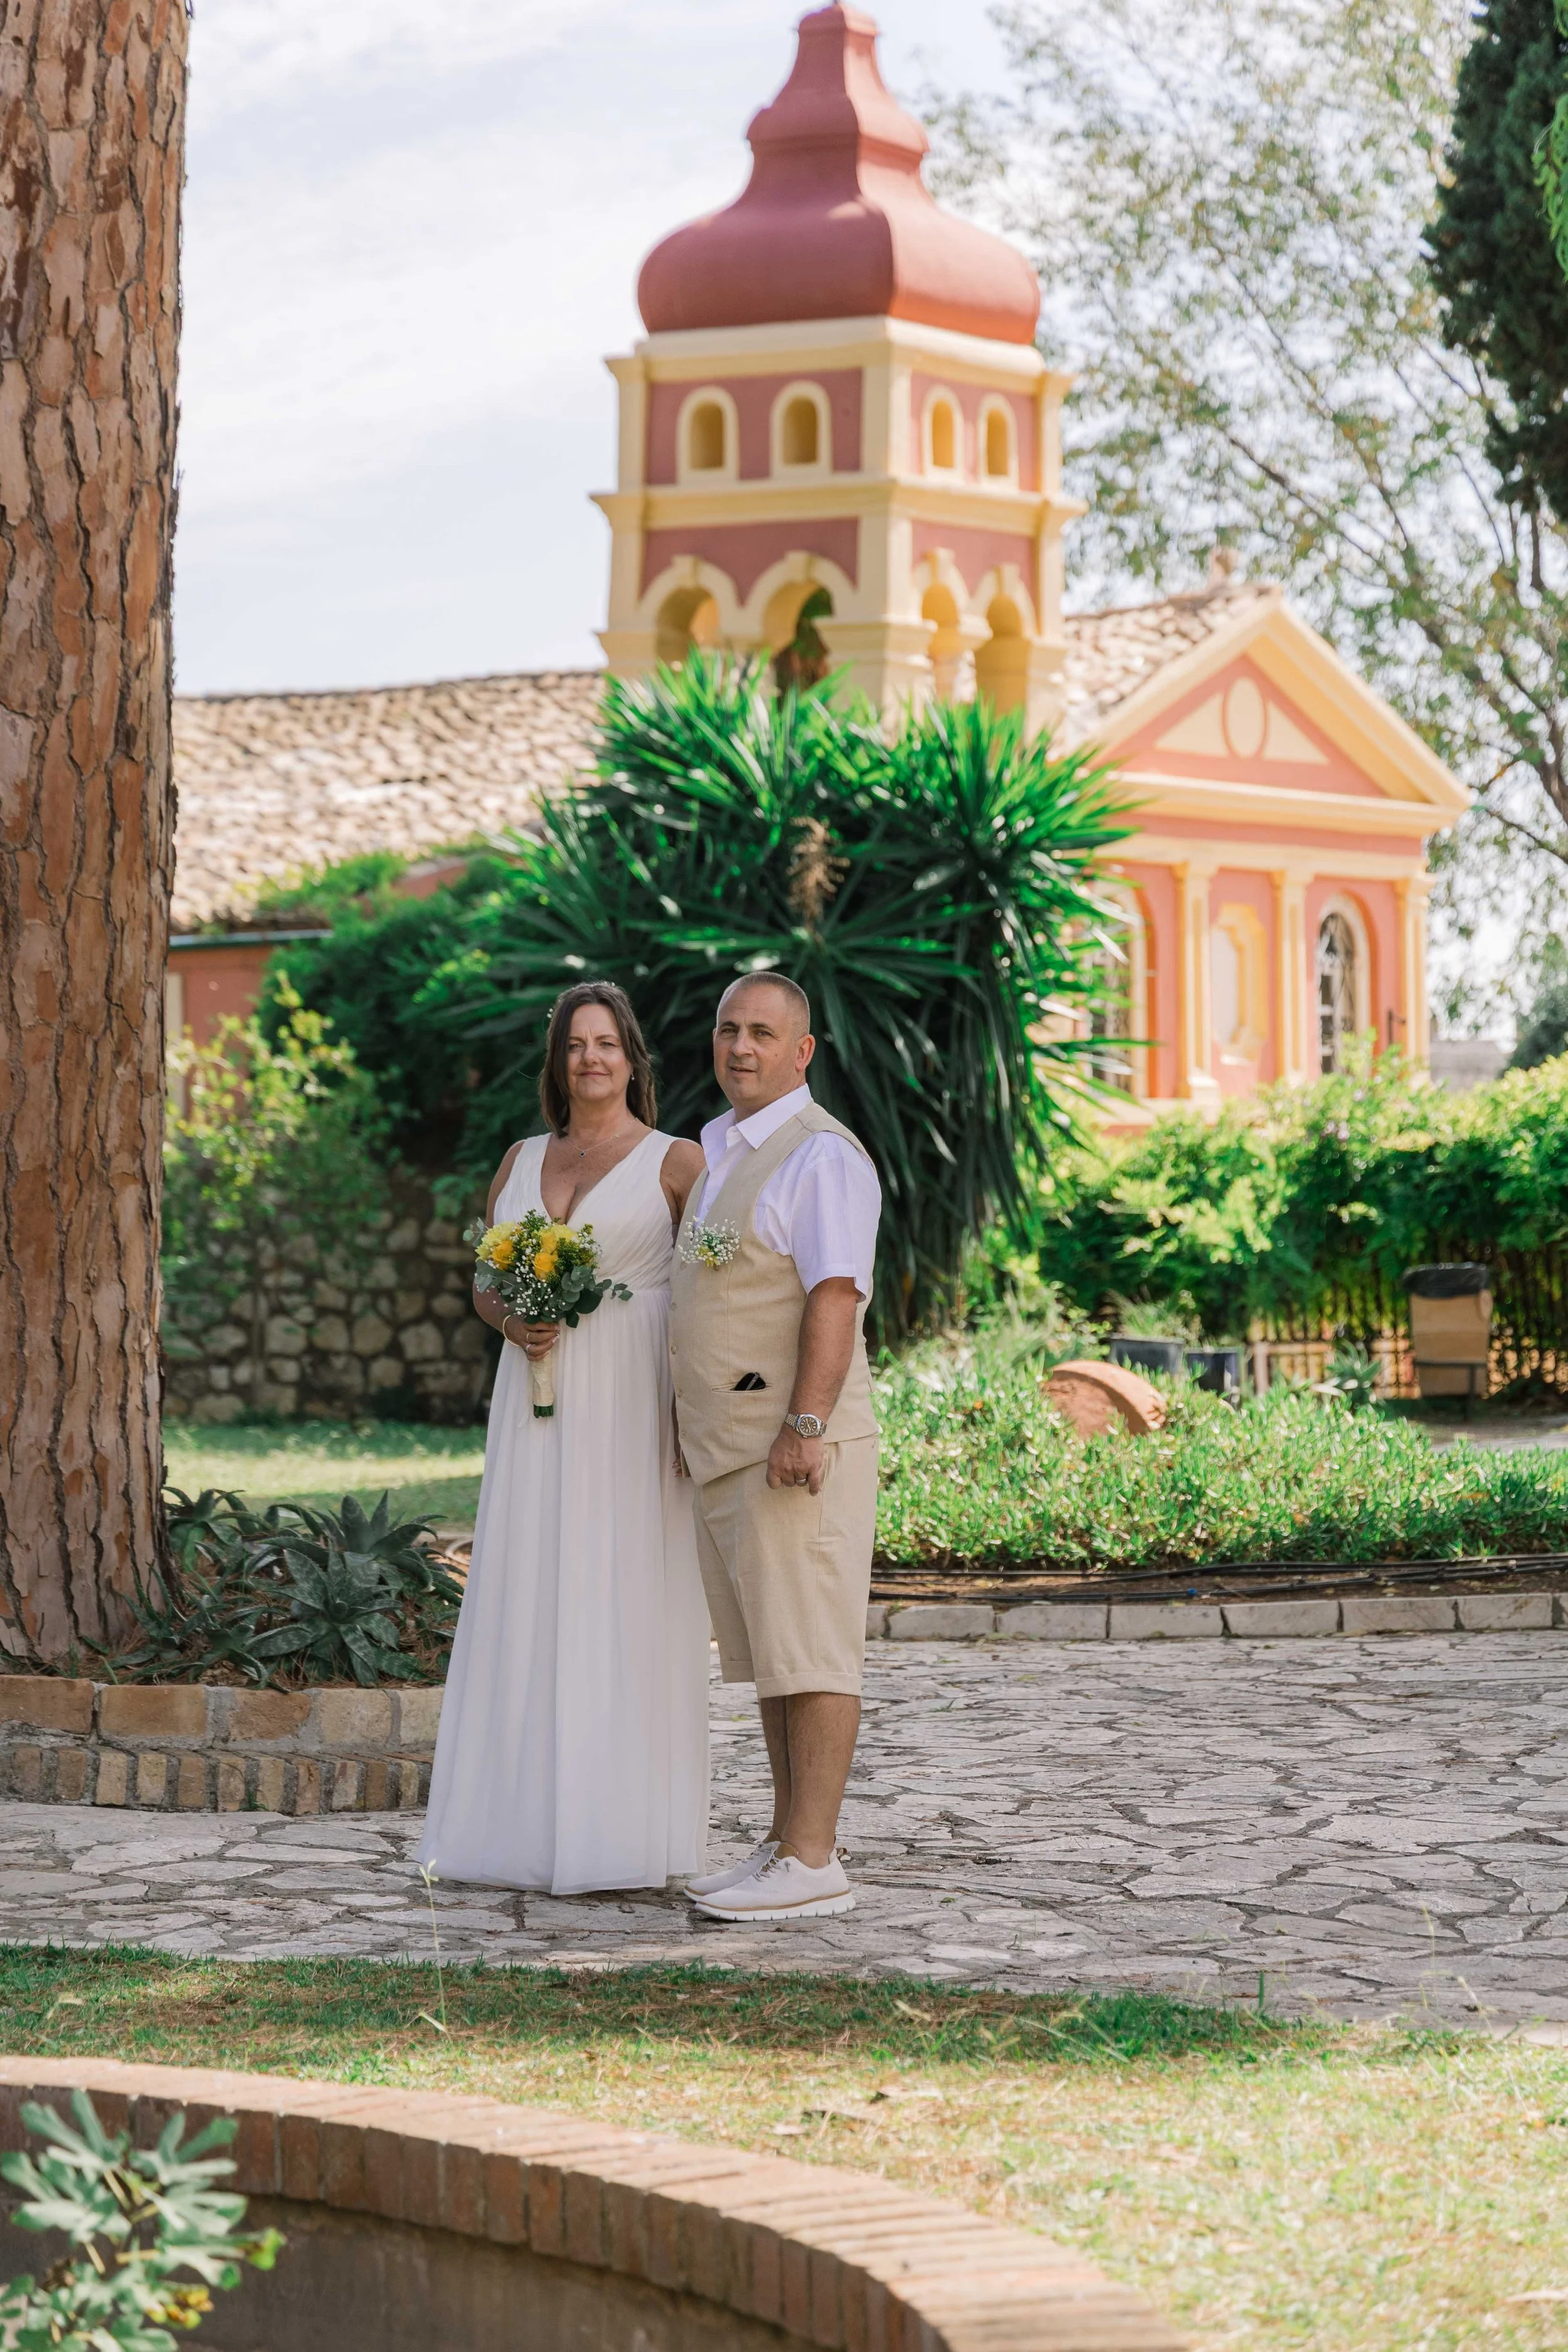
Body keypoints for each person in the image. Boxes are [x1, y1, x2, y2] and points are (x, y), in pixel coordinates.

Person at [418, 982, 711, 1894]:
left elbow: (712, 1296)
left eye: (606, 1043)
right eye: (575, 1044)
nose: (591, 1058)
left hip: (633, 1406)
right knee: (528, 1588)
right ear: (558, 1062)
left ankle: (618, 1829)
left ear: (632, 1059)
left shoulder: (679, 1162)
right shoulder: (517, 1160)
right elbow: (482, 1279)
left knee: (618, 1593)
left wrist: (693, 1412)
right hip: (532, 1405)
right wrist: (510, 1317)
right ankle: (514, 1826)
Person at [670, 972, 882, 1922]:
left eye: (762, 1032)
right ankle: (786, 1840)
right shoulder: (720, 1148)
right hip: (732, 1451)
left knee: (815, 1651)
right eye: (728, 1029)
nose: (740, 1047)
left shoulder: (821, 1157)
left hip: (794, 1449)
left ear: (803, 1052)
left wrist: (805, 1425)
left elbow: (835, 1295)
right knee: (771, 1657)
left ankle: (815, 1857)